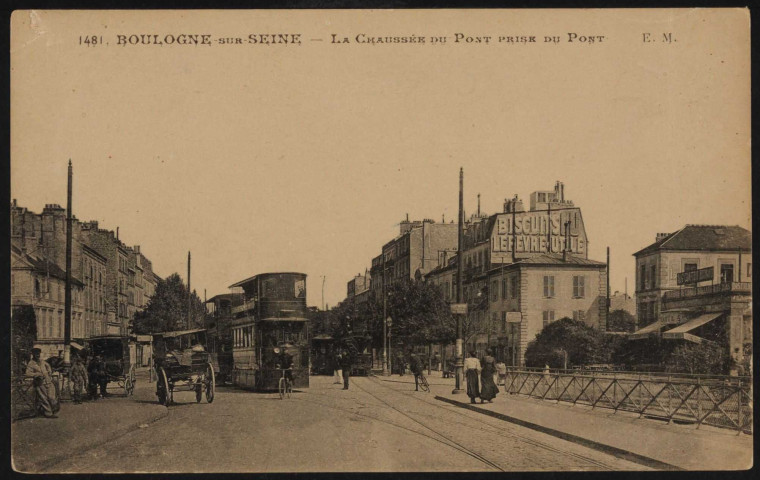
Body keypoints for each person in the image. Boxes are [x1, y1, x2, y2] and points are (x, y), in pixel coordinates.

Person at [25, 345, 59, 417]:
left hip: (48, 381)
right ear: (33, 354)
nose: (37, 355)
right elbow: (27, 373)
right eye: (36, 353)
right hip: (40, 383)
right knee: (44, 399)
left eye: (38, 353)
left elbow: (48, 366)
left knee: (51, 397)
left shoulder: (42, 361)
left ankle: (54, 410)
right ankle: (48, 413)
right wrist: (36, 374)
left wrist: (49, 372)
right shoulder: (31, 363)